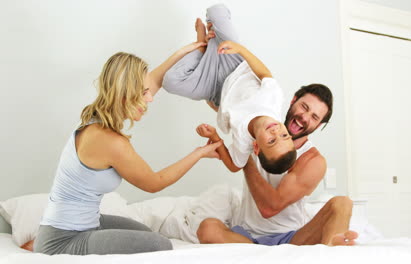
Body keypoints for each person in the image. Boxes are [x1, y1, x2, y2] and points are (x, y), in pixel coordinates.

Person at [33, 45, 222, 255]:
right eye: (143, 93)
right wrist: (199, 153)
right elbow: (154, 183)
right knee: (160, 245)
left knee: (146, 233)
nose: (149, 98)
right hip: (64, 240)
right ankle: (40, 245)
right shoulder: (109, 141)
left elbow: (156, 80)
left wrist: (187, 50)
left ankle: (38, 240)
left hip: (87, 223)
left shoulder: (95, 120)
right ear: (124, 93)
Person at [197, 84, 359, 246]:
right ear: (293, 100)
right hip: (245, 236)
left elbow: (270, 207)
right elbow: (231, 112)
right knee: (207, 228)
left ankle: (333, 248)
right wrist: (215, 134)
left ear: (319, 125)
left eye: (314, 117)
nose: (305, 117)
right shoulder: (264, 128)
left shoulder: (313, 161)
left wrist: (247, 160)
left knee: (343, 202)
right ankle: (257, 250)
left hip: (290, 239)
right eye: (304, 107)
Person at [163, 4, 296, 174]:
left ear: (256, 148)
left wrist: (214, 137)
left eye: (271, 141)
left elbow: (234, 166)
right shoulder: (273, 102)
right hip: (234, 64)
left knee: (170, 81)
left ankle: (202, 45)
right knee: (217, 11)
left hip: (214, 89)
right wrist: (240, 50)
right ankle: (211, 45)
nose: (276, 131)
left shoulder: (244, 142)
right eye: (284, 135)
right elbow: (263, 73)